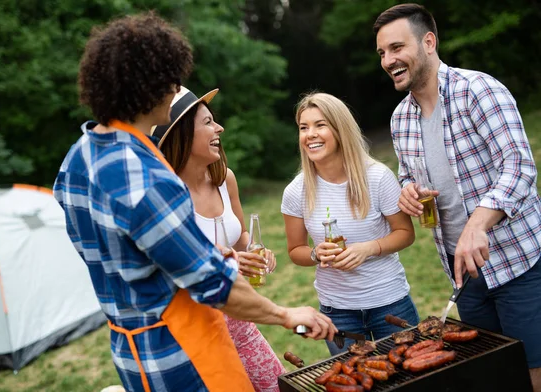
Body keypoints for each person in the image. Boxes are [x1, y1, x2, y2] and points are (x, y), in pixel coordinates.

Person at [53, 13, 336, 392]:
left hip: (131, 354)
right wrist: (285, 314)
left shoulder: (77, 159)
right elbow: (212, 284)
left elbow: (137, 256)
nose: (176, 88)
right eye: (172, 79)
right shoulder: (148, 177)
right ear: (154, 86)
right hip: (186, 358)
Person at [374, 3, 541, 390]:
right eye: (382, 53)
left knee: (533, 369)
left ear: (428, 42)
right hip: (463, 271)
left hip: (517, 262)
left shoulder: (477, 90)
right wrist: (407, 191)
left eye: (397, 48)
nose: (388, 60)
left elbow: (519, 166)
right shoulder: (401, 119)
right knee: (489, 370)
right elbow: (405, 174)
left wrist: (478, 223)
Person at [156, 86, 286, 391]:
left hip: (241, 320)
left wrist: (257, 252)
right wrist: (228, 259)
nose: (219, 128)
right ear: (182, 135)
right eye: (208, 122)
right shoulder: (167, 196)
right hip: (200, 333)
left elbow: (239, 235)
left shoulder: (224, 178)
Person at [281, 92, 419, 355]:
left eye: (320, 125)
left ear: (340, 129)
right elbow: (295, 251)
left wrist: (368, 249)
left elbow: (405, 233)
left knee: (410, 379)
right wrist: (314, 253)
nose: (310, 134)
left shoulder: (377, 177)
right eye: (303, 127)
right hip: (337, 312)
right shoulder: (295, 191)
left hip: (390, 303)